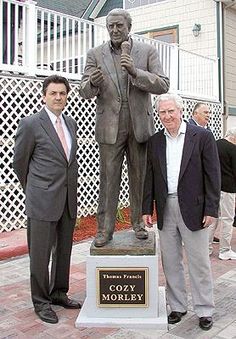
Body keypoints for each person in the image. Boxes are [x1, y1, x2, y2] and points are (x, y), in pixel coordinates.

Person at [79, 8, 169, 247]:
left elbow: (163, 84)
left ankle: (138, 223)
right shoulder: (95, 54)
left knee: (139, 178)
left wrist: (135, 71)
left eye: (119, 25)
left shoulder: (147, 51)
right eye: (110, 26)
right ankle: (104, 229)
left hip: (139, 126)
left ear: (129, 27)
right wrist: (93, 84)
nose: (115, 30)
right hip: (110, 126)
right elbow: (84, 91)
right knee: (108, 180)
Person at [142, 93, 221, 331]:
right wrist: (147, 208)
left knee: (199, 262)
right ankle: (177, 307)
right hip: (166, 208)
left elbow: (213, 175)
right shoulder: (155, 141)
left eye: (171, 111)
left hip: (195, 209)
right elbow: (149, 176)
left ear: (181, 111)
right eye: (162, 112)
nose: (167, 116)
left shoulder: (202, 137)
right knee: (171, 262)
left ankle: (205, 309)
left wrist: (211, 208)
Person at [13, 75, 81, 324]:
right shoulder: (31, 124)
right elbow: (20, 162)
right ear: (44, 95)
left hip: (67, 200)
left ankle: (58, 293)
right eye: (53, 93)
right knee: (40, 256)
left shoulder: (71, 123)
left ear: (67, 96)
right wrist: (34, 190)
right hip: (42, 201)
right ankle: (41, 302)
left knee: (63, 251)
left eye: (62, 93)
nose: (58, 97)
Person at [189, 102, 220, 243]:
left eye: (209, 113)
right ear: (195, 114)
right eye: (205, 112)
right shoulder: (190, 130)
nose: (209, 115)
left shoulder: (207, 130)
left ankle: (205, 235)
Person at [209, 127, 236, 259]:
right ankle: (225, 250)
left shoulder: (215, 144)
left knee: (212, 218)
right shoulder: (233, 148)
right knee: (227, 219)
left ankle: (206, 248)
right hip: (228, 189)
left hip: (213, 187)